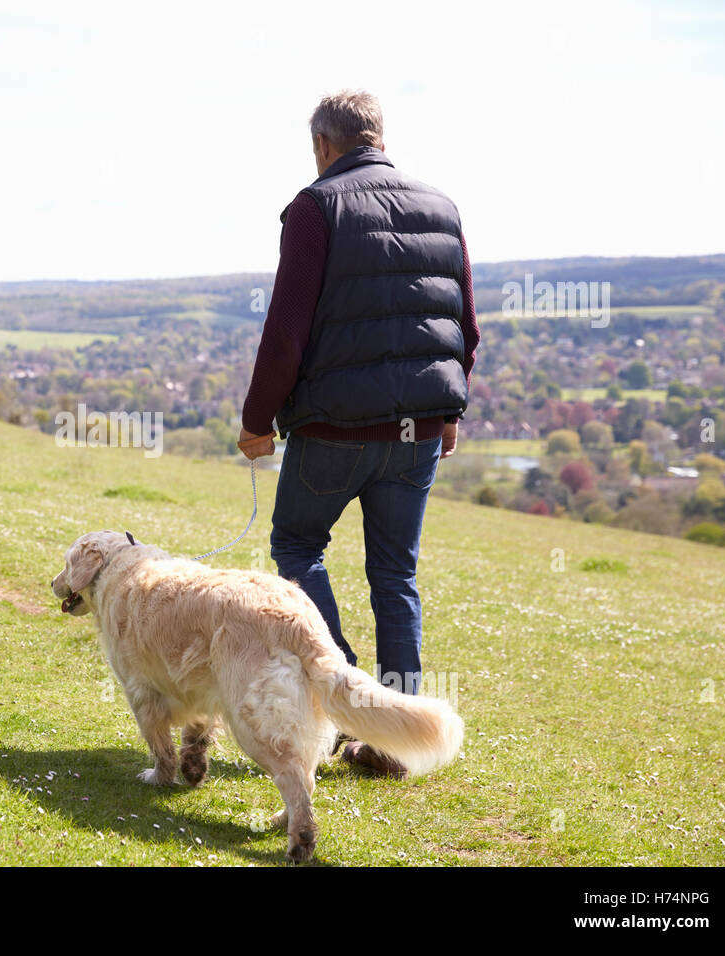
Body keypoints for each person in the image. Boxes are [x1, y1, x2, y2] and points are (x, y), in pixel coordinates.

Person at [237, 90, 479, 777]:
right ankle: (395, 736)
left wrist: (258, 422)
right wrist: (450, 414)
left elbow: (285, 333)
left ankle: (346, 700)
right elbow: (464, 322)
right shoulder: (442, 206)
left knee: (296, 544)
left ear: (323, 143)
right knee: (395, 574)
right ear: (378, 135)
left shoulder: (317, 208)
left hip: (336, 428)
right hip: (418, 432)